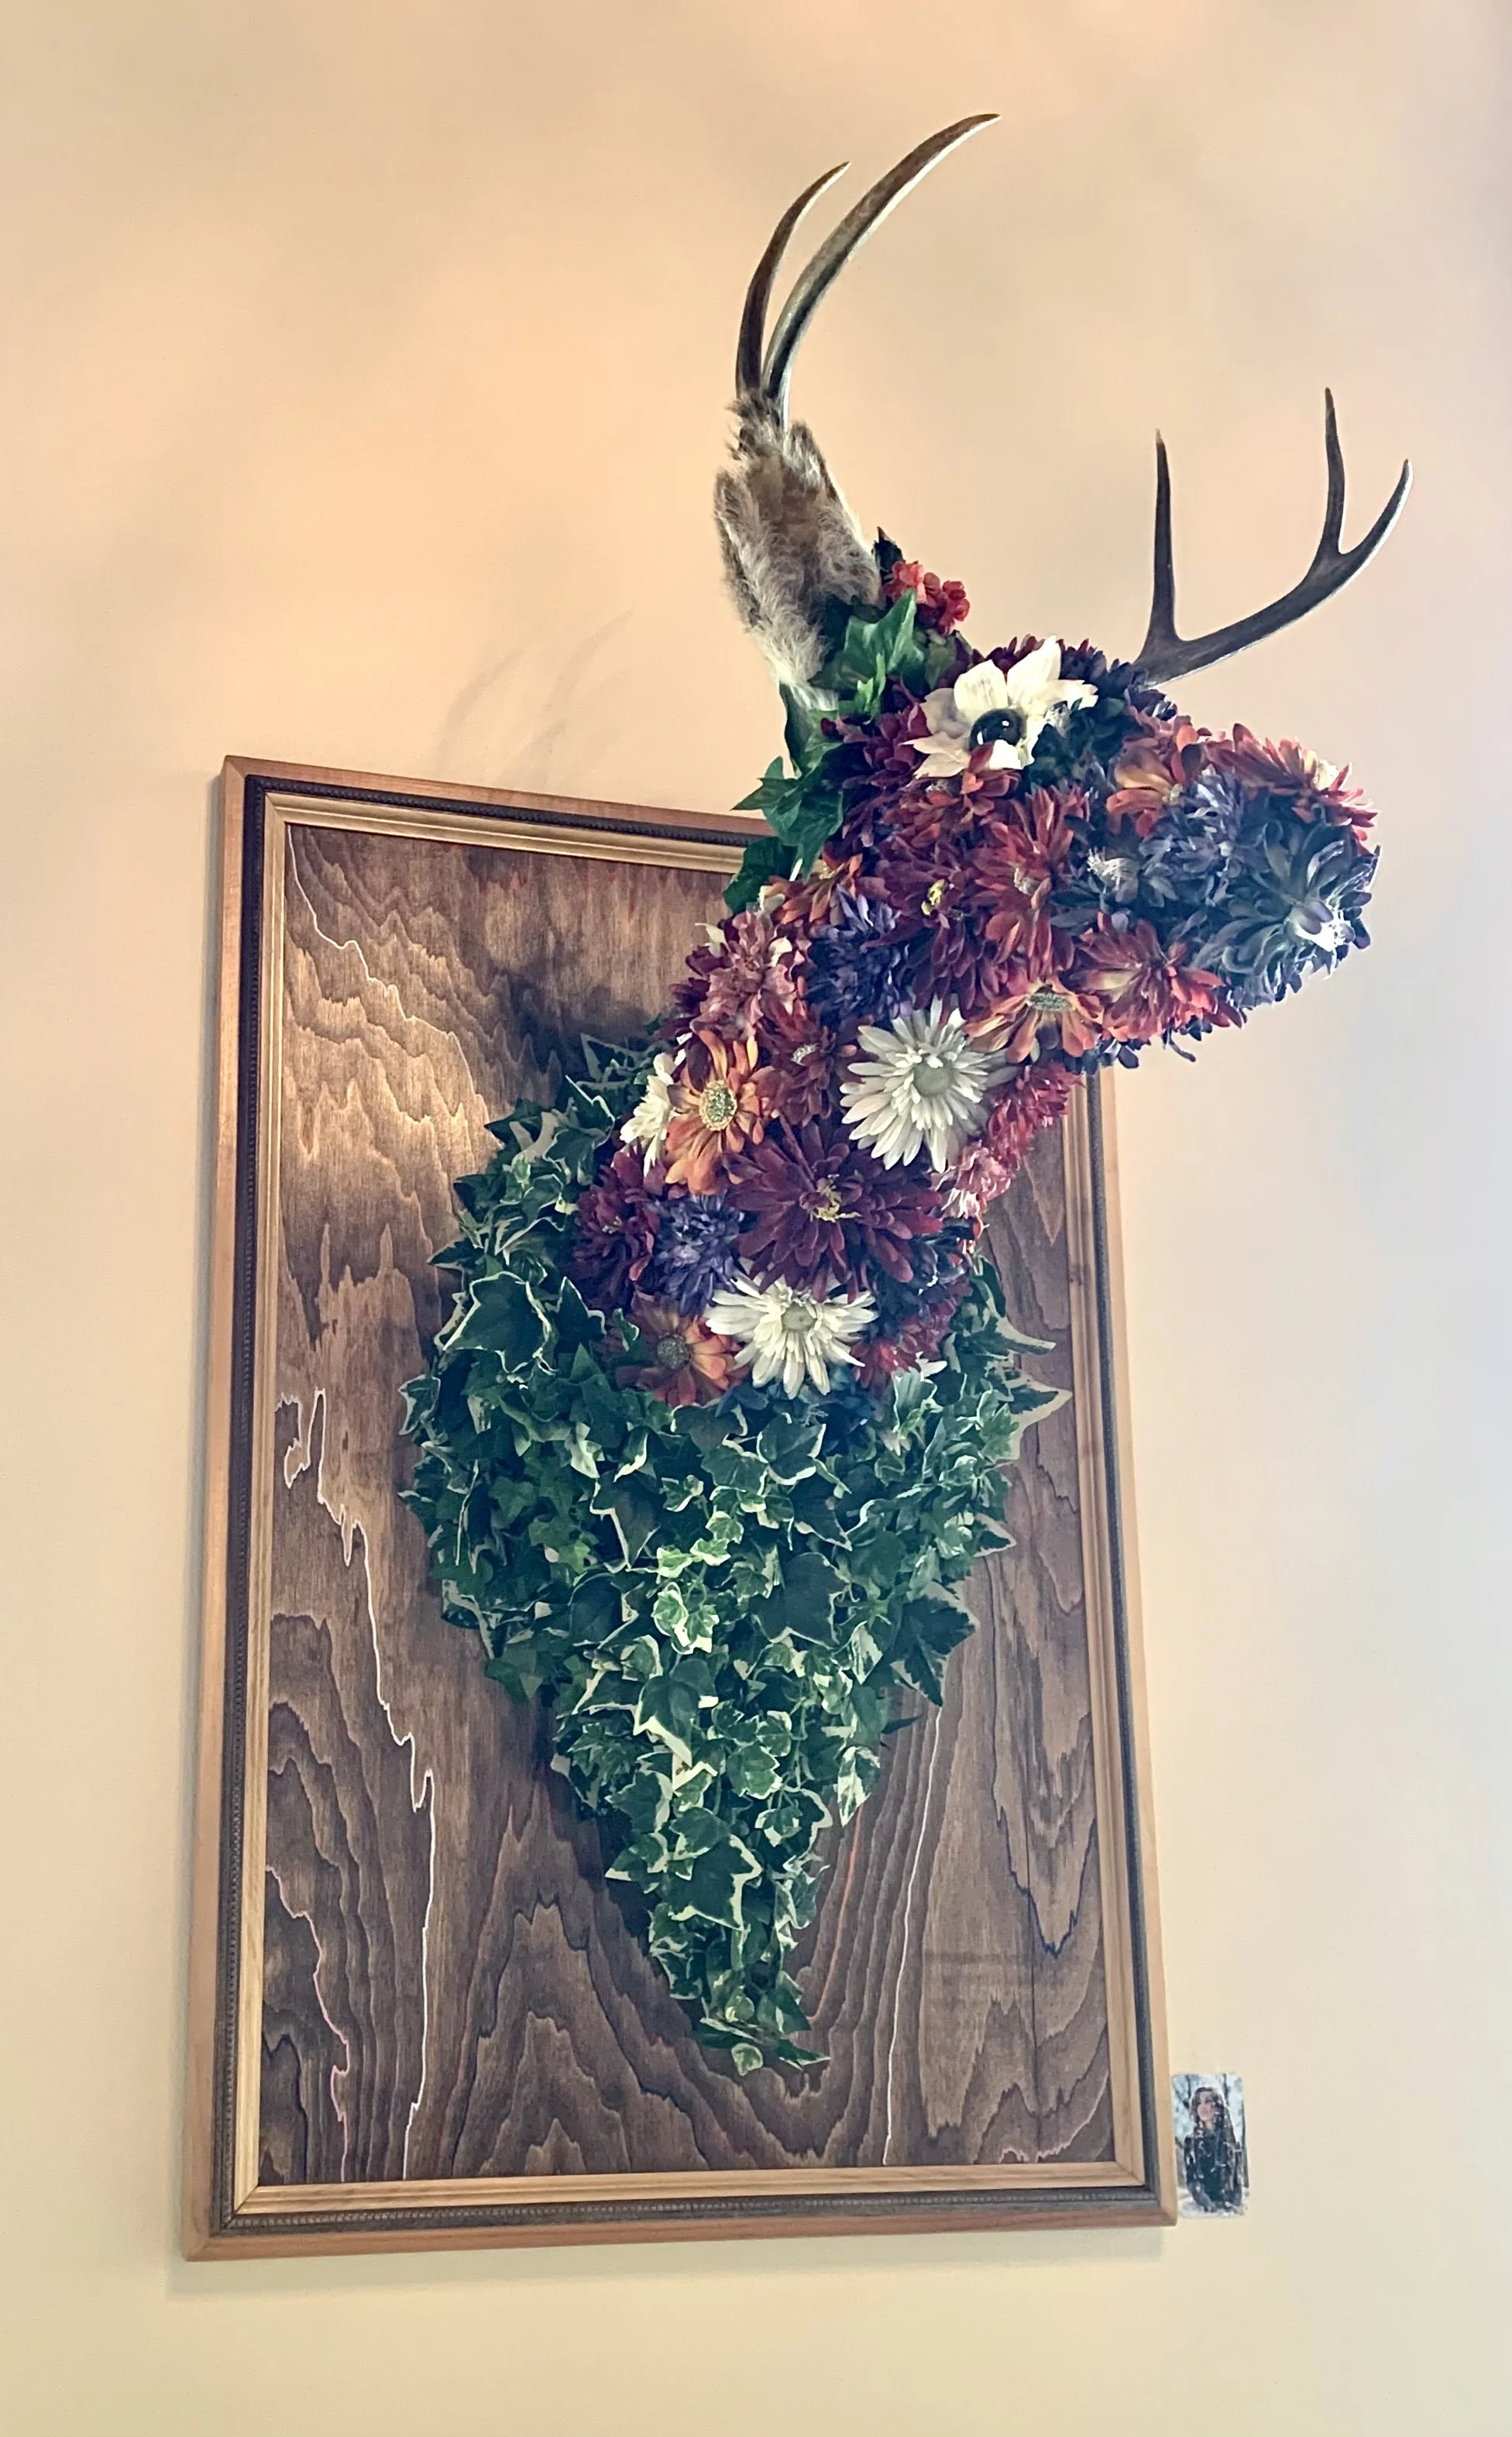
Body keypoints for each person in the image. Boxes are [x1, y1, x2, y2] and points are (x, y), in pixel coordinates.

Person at [1183, 2084, 1245, 2213]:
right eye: (1199, 2103)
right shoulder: (1191, 2141)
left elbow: (1238, 2180)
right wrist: (1209, 2206)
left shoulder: (1232, 2142)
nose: (1203, 2107)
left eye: (1208, 2101)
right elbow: (1192, 2181)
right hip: (1204, 2211)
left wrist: (1235, 2206)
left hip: (1232, 2209)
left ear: (1217, 2106)